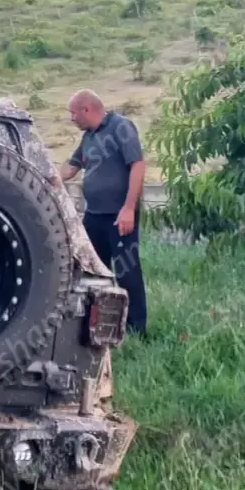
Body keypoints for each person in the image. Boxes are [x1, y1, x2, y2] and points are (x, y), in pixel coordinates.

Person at [56, 89, 148, 337]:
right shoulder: (89, 137)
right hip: (94, 216)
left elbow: (138, 165)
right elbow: (72, 167)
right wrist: (47, 179)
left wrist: (128, 208)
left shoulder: (121, 127)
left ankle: (137, 329)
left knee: (127, 272)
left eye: (73, 113)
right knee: (92, 271)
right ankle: (96, 327)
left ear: (86, 109)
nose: (71, 118)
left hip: (119, 216)